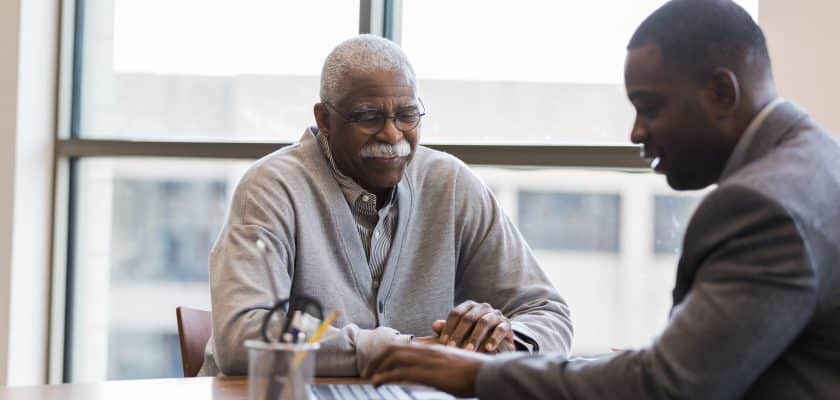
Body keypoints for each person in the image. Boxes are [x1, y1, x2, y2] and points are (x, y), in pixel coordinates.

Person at [366, 1, 840, 398]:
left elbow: (669, 387)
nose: (636, 132)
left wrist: (474, 373)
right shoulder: (818, 163)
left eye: (650, 107)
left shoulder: (762, 207)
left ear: (721, 92)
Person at [199, 34, 573, 377]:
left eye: (407, 115)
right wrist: (398, 350)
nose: (393, 135)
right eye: (369, 117)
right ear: (324, 119)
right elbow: (243, 338)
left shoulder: (452, 184)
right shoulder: (270, 189)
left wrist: (502, 340)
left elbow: (548, 313)